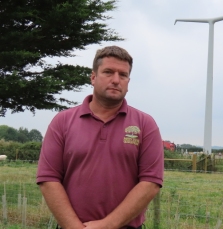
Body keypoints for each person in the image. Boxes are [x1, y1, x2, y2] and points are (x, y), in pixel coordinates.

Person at [36, 46, 164, 229]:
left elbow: (151, 182)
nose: (116, 80)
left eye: (123, 75)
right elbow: (48, 178)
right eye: (108, 72)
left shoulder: (146, 125)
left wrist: (107, 225)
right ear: (93, 77)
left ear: (129, 81)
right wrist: (73, 226)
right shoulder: (62, 122)